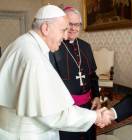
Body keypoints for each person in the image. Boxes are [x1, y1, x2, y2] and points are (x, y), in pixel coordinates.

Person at [0, 4, 112, 140]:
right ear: (46, 28)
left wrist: (95, 99)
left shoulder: (22, 44)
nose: (66, 35)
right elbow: (52, 113)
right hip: (28, 133)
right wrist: (96, 116)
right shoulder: (34, 58)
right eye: (63, 29)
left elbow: (91, 75)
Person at [49, 6, 101, 140]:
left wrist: (96, 96)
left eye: (77, 24)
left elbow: (92, 75)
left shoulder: (85, 46)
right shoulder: (54, 47)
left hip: (88, 106)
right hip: (66, 110)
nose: (73, 28)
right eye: (69, 24)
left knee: (89, 136)